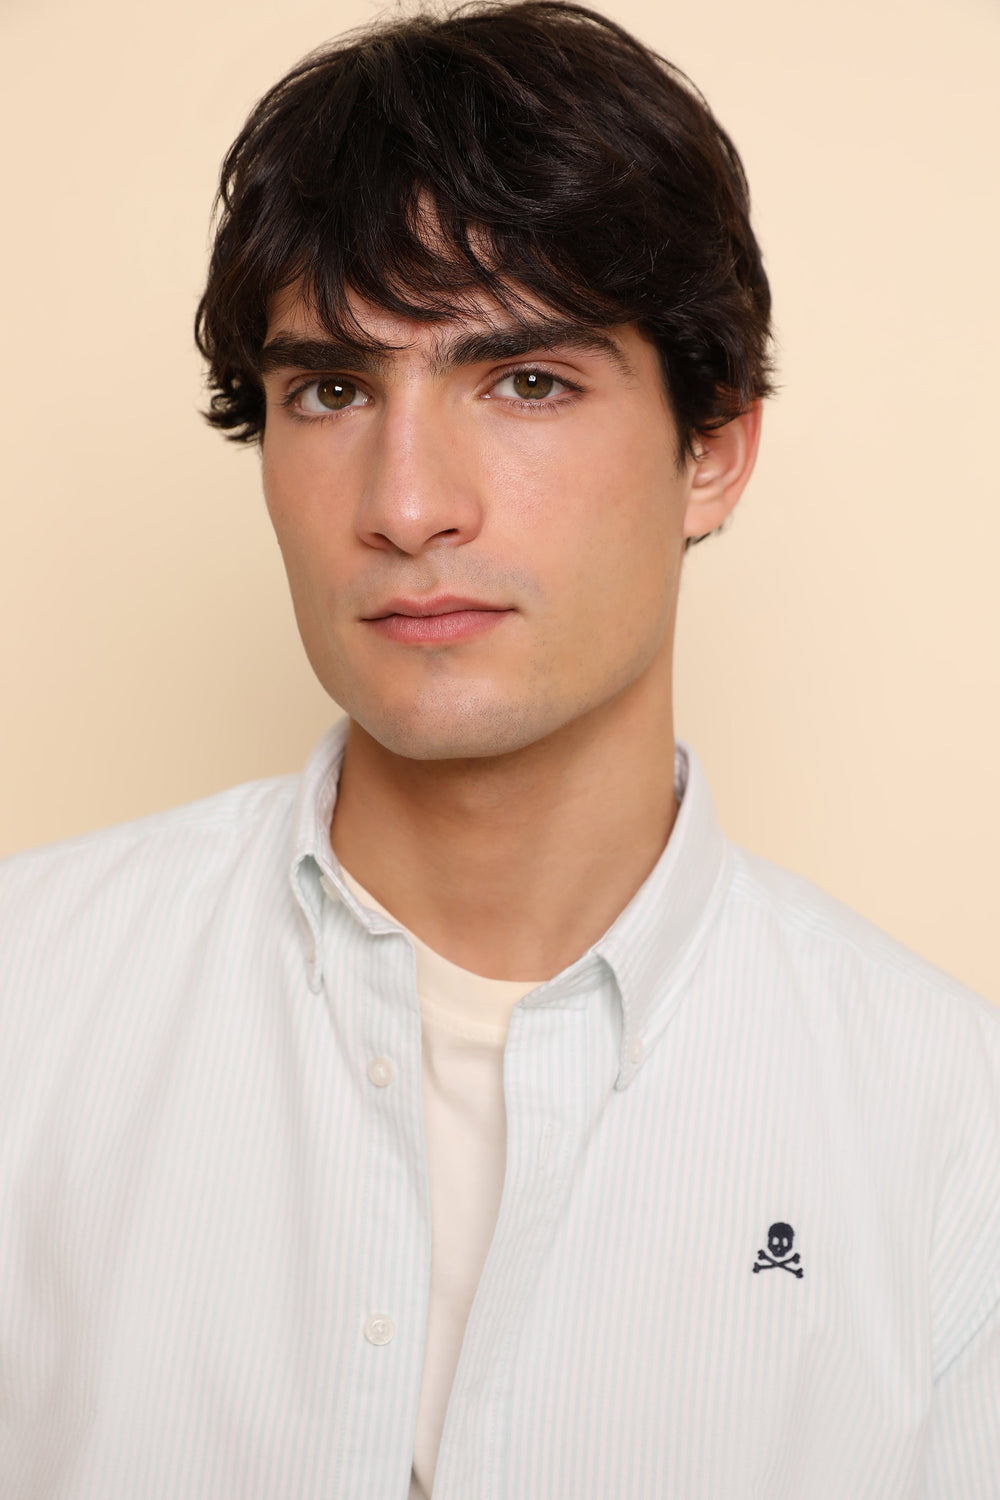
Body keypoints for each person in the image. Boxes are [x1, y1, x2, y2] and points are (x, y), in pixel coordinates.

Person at [1, 2, 997, 1496]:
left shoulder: (947, 1137)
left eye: (526, 381)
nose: (408, 505)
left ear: (713, 449)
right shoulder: (29, 1002)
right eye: (331, 390)